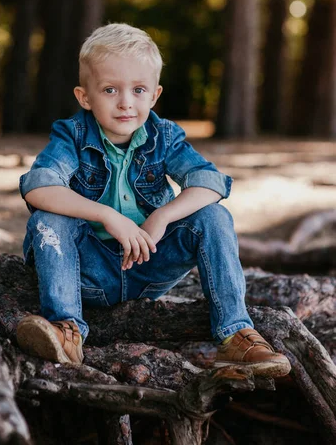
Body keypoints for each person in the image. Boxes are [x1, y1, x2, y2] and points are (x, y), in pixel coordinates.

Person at [16, 23, 291, 377]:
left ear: (154, 95)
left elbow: (210, 182)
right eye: (110, 89)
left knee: (213, 216)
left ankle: (235, 333)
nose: (126, 102)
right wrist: (107, 216)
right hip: (87, 272)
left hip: (149, 265)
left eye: (138, 90)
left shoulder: (164, 136)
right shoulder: (72, 134)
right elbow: (38, 186)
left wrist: (162, 216)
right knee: (48, 219)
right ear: (85, 97)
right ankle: (66, 330)